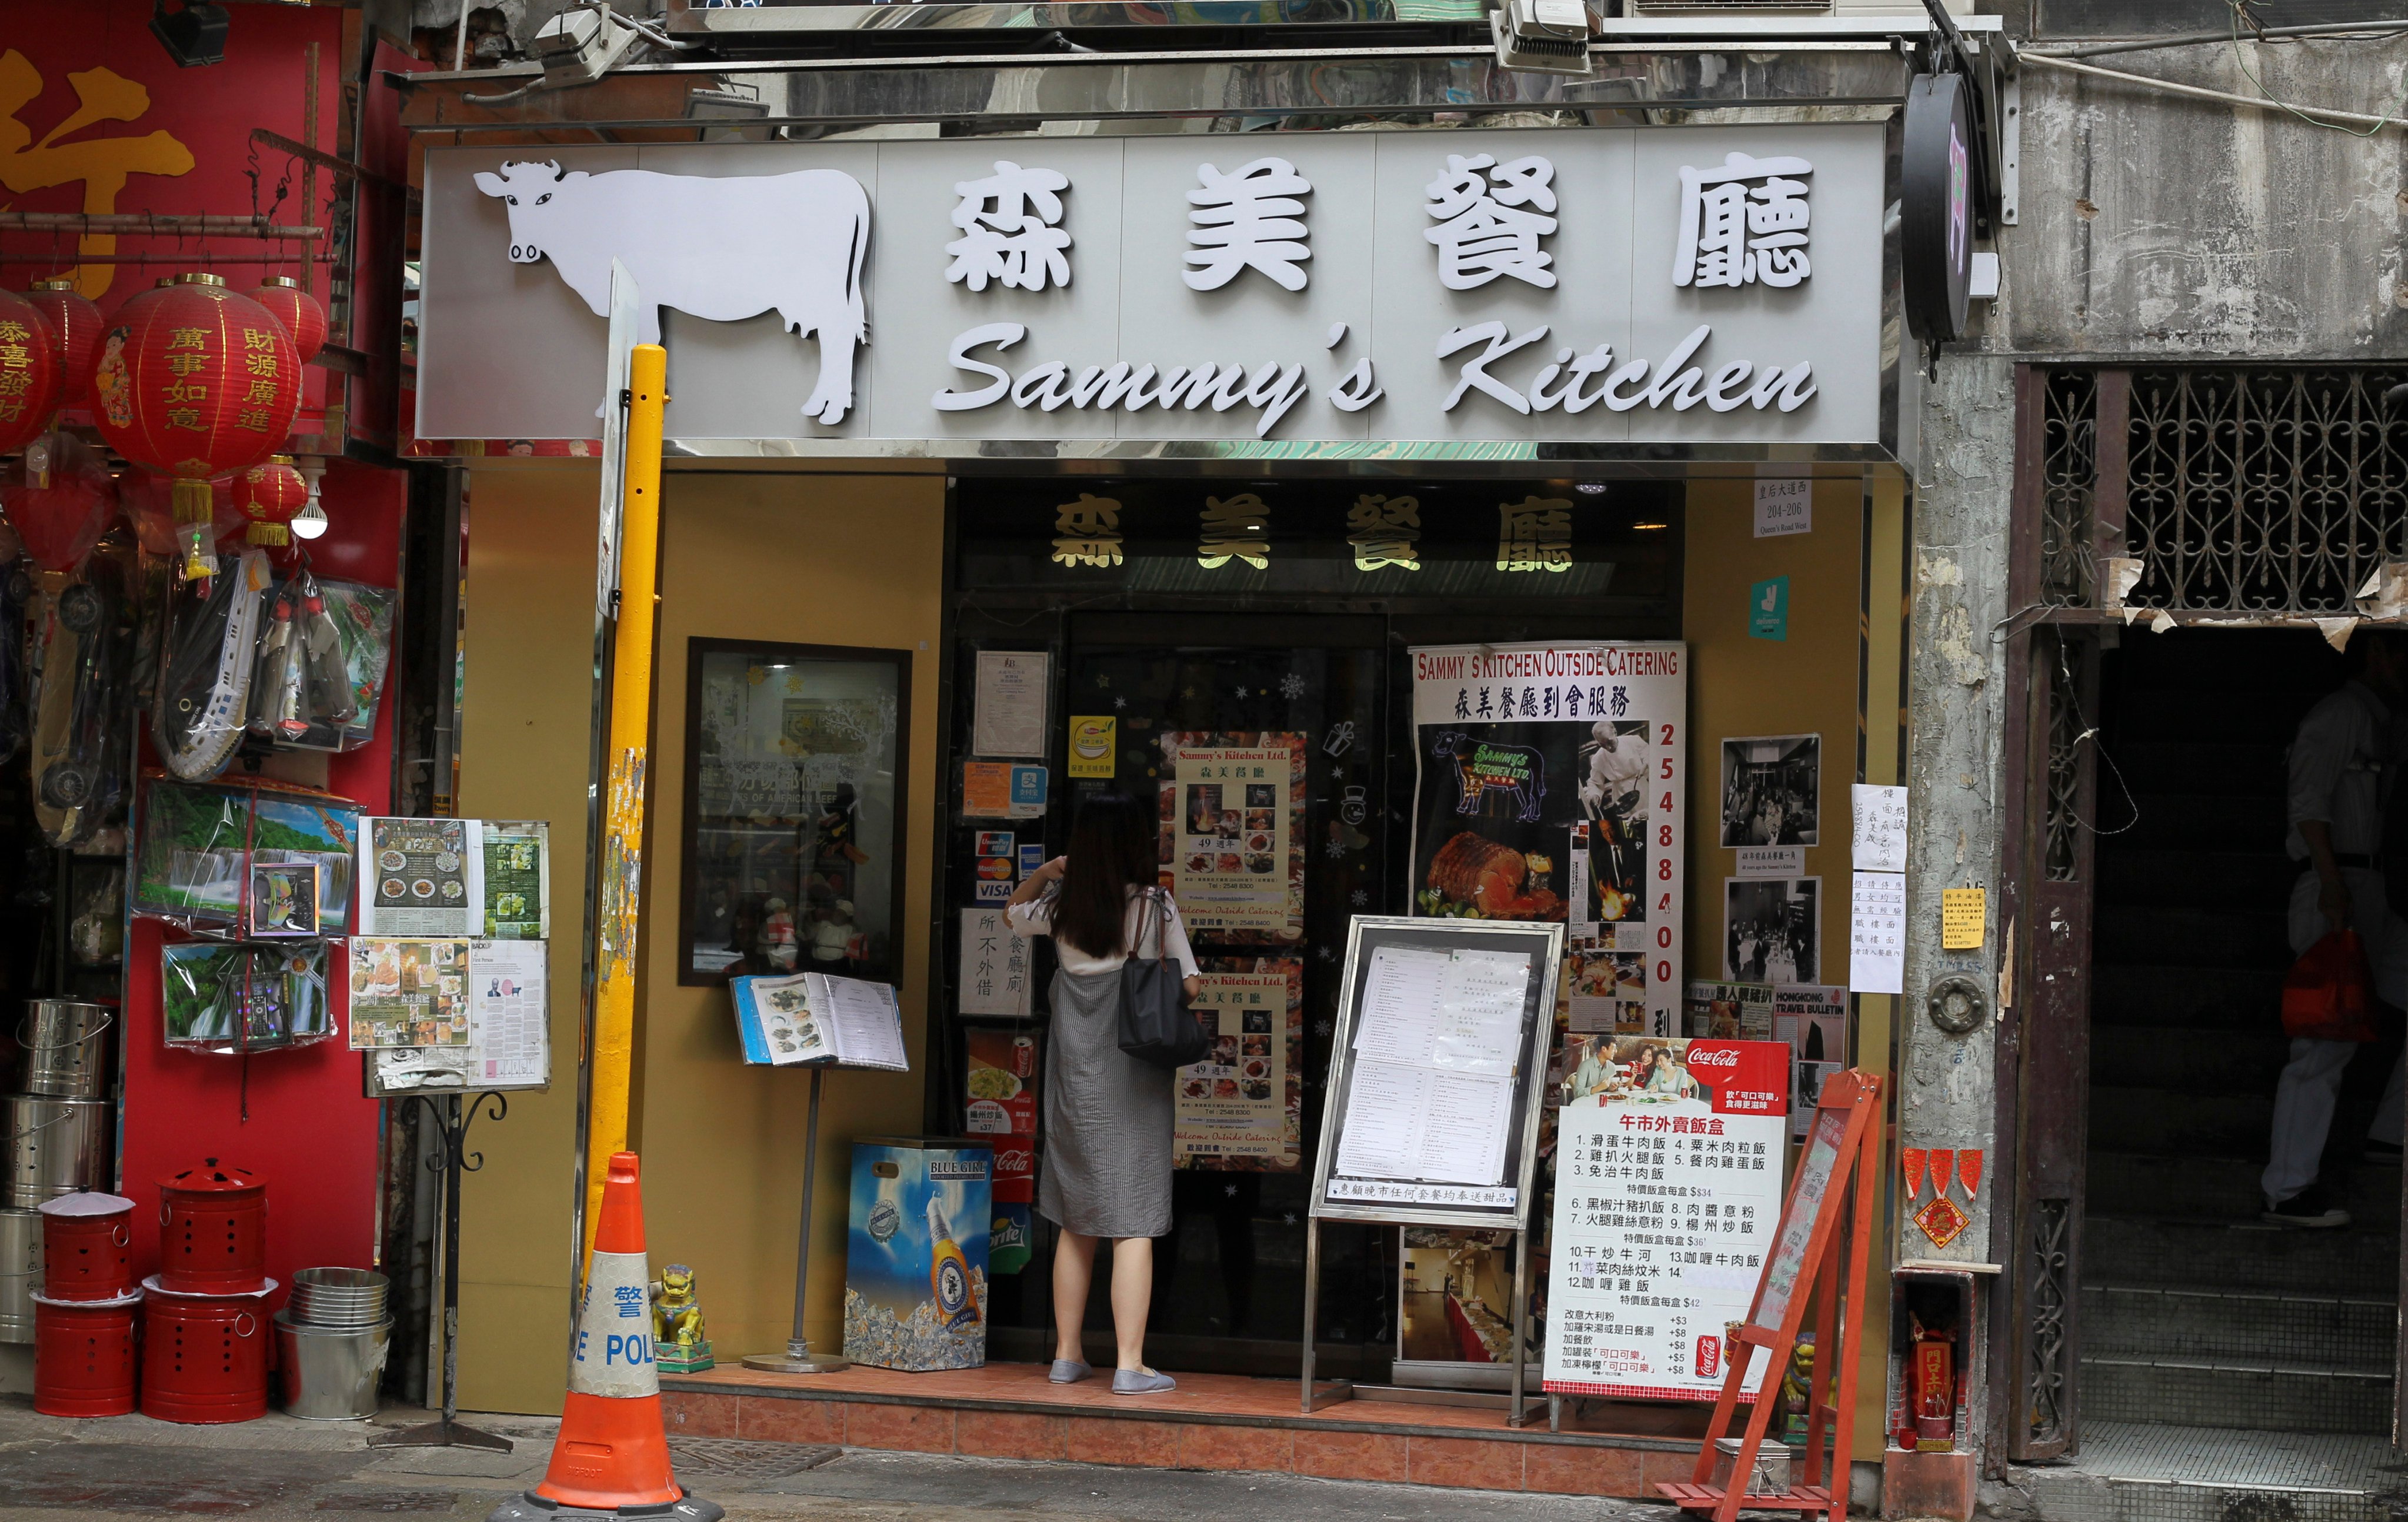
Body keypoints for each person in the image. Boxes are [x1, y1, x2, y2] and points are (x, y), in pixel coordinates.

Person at [1006, 792, 1201, 1393]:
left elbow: (1011, 911)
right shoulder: (1153, 906)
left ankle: (1066, 1354)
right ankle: (1129, 1362)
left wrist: (1046, 870)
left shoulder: (1061, 908)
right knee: (1133, 1218)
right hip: (1133, 1080)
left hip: (1076, 1081)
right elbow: (1190, 985)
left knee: (1075, 1218)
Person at [2265, 631, 2408, 1227]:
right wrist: (2330, 887)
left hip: (2372, 885)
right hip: (2335, 887)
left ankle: (2388, 1134)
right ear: (2374, 652)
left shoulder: (2383, 719)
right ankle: (2287, 1188)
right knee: (2323, 1040)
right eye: (2401, 652)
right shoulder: (2339, 714)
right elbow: (2307, 804)